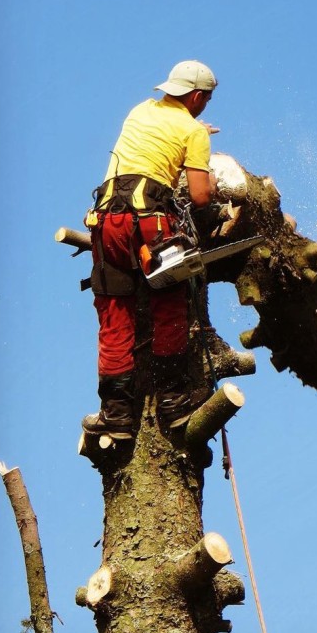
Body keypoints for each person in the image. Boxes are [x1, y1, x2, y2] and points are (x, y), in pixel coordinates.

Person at [82, 60, 219, 440]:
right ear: (196, 96)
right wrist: (200, 155)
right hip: (151, 225)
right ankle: (173, 405)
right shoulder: (193, 131)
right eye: (206, 99)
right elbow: (200, 196)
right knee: (169, 307)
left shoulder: (141, 110)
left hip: (107, 219)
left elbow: (140, 152)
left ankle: (117, 414)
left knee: (114, 314)